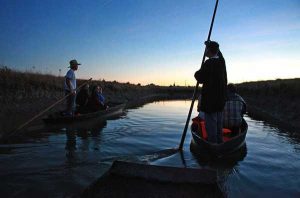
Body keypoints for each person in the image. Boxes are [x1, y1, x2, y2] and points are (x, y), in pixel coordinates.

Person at [194, 41, 227, 144]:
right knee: (218, 125)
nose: (205, 51)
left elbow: (200, 78)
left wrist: (196, 73)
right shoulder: (222, 62)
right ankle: (220, 143)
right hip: (220, 101)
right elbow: (219, 53)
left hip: (210, 102)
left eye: (206, 49)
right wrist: (210, 44)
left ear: (208, 50)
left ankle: (213, 147)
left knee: (211, 126)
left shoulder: (208, 63)